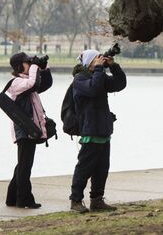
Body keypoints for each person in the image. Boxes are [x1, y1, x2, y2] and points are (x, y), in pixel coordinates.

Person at [69, 49, 127, 213]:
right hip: (90, 131)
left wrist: (113, 66)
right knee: (84, 168)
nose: (100, 60)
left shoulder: (99, 77)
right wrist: (101, 70)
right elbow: (93, 89)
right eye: (96, 58)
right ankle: (75, 201)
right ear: (88, 62)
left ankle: (97, 200)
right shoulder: (80, 79)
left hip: (103, 130)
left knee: (102, 169)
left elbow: (119, 84)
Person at [5, 52, 53, 208]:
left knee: (22, 164)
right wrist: (34, 67)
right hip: (23, 129)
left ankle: (12, 198)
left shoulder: (28, 82)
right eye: (27, 62)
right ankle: (24, 200)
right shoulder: (17, 83)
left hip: (29, 128)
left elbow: (45, 84)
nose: (30, 65)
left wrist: (44, 68)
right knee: (25, 165)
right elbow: (32, 84)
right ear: (19, 65)